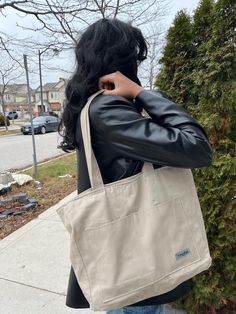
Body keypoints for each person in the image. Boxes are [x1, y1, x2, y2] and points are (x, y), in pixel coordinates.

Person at [59, 18, 212, 314]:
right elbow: (196, 147)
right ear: (123, 59)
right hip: (136, 272)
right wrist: (142, 93)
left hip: (132, 261)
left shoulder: (95, 105)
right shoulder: (107, 110)